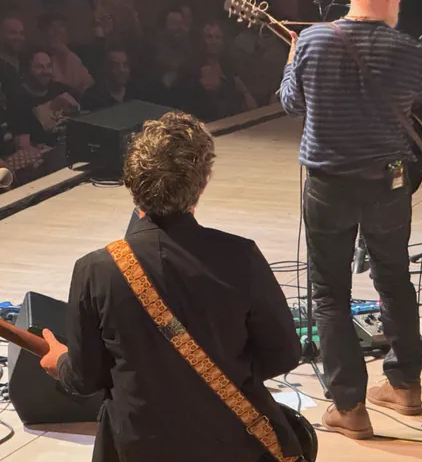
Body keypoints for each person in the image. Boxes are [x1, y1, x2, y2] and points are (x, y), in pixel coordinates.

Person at [280, 0, 422, 439]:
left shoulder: (316, 41)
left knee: (330, 295)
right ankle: (406, 386)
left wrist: (293, 57)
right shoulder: (407, 50)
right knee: (393, 279)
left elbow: (290, 102)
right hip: (388, 184)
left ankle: (350, 408)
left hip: (327, 186)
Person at [39, 111, 304, 462]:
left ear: (130, 182)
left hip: (139, 447)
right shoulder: (240, 256)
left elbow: (87, 377)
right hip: (233, 443)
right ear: (202, 183)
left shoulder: (96, 269)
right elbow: (283, 353)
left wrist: (61, 364)